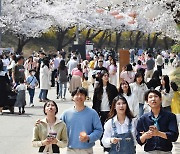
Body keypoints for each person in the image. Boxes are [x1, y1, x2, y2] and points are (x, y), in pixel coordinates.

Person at [60, 87, 103, 154]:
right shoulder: (66, 113)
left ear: (85, 97)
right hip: (71, 149)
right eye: (77, 95)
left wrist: (89, 137)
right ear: (72, 97)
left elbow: (99, 130)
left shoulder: (92, 113)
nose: (79, 97)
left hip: (87, 149)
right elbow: (58, 127)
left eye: (82, 95)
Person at [136, 89, 179, 153]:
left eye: (156, 96)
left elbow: (174, 137)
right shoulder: (143, 119)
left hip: (165, 151)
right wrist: (145, 136)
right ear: (147, 101)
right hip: (149, 151)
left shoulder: (170, 116)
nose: (153, 99)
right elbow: (139, 141)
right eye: (150, 97)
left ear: (161, 99)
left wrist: (158, 133)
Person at [92, 70, 118, 152]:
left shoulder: (112, 88)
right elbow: (95, 101)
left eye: (107, 75)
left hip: (110, 112)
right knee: (102, 129)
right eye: (104, 76)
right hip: (101, 112)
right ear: (101, 77)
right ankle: (104, 144)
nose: (106, 77)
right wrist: (95, 112)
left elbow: (116, 99)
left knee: (111, 129)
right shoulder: (98, 88)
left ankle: (109, 146)